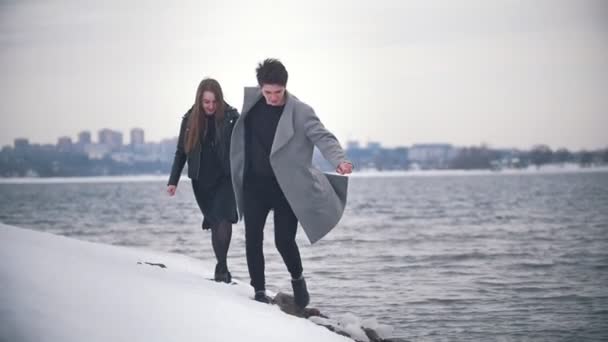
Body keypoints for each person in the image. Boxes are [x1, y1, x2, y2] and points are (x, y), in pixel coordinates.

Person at [230, 59, 353, 307]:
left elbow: (323, 137)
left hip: (286, 187)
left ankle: (298, 280)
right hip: (254, 185)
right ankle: (259, 291)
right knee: (252, 237)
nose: (273, 98)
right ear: (260, 87)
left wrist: (339, 160)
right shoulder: (251, 104)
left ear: (285, 87)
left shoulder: (301, 111)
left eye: (278, 92)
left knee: (283, 240)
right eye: (268, 92)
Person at [167, 78, 240, 283]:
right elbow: (181, 152)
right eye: (206, 102)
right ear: (200, 100)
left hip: (225, 178)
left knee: (224, 218)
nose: (210, 106)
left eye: (214, 102)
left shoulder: (232, 117)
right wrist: (173, 180)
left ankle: (222, 267)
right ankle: (222, 266)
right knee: (215, 221)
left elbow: (242, 148)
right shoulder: (190, 119)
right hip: (201, 181)